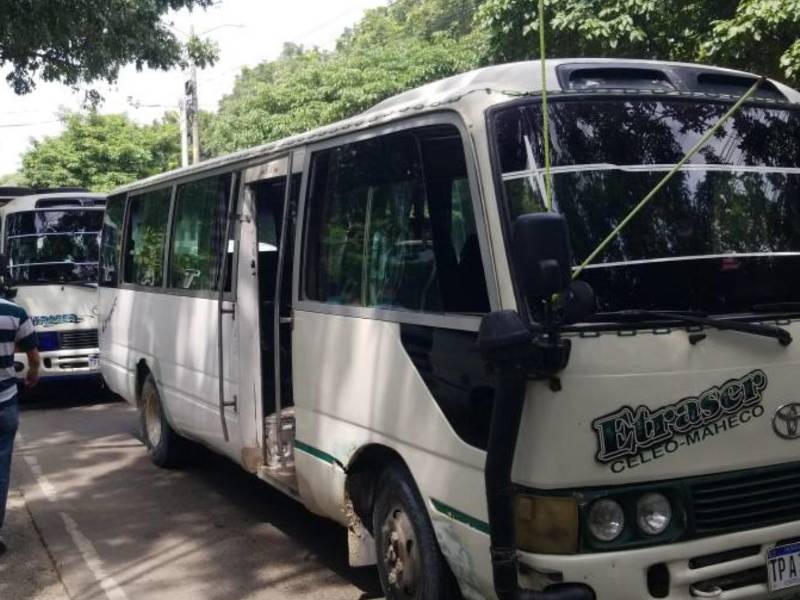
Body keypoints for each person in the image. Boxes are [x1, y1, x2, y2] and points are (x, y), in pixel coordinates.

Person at [0, 297, 39, 555]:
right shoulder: (14, 312)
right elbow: (34, 358)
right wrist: (32, 375)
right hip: (5, 403)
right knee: (1, 471)